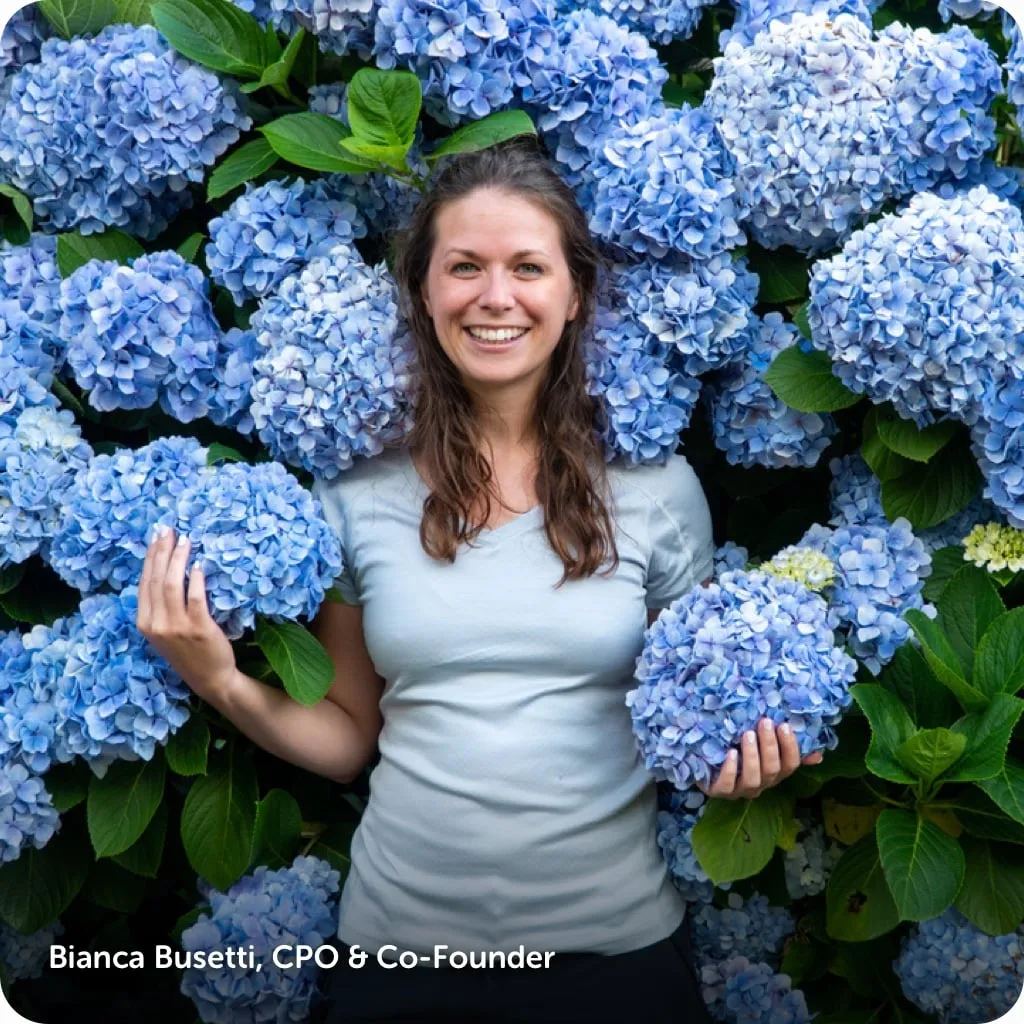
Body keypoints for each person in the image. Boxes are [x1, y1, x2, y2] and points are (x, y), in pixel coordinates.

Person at [136, 138, 821, 1023]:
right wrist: (216, 677)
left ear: (575, 296)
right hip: (398, 962)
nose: (496, 297)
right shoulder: (357, 492)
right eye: (465, 266)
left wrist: (739, 760)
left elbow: (703, 700)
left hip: (614, 960)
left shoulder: (656, 489)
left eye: (527, 267)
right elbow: (350, 739)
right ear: (423, 292)